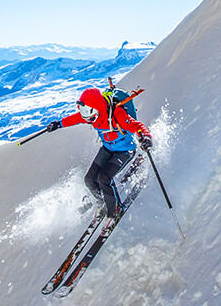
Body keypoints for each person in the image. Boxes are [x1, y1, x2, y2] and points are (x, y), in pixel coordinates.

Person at [46, 87, 152, 218]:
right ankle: (103, 201)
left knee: (104, 178)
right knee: (89, 180)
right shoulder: (91, 114)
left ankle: (115, 209)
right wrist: (58, 124)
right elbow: (75, 119)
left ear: (98, 108)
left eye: (92, 118)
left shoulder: (116, 114)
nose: (90, 121)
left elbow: (136, 126)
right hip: (107, 149)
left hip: (125, 150)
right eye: (88, 119)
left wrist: (146, 136)